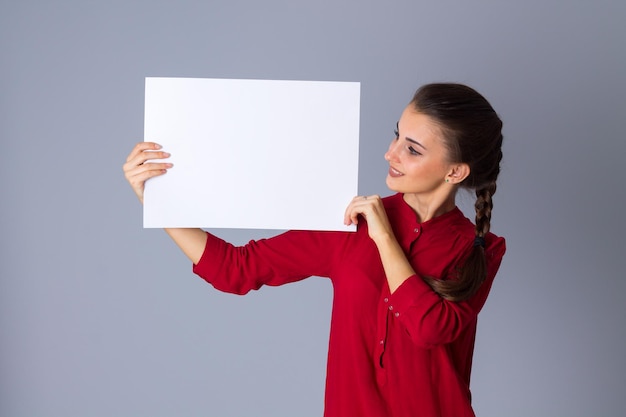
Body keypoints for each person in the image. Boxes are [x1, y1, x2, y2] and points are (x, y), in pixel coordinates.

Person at [123, 83, 506, 417]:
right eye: (396, 136)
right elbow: (234, 269)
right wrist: (159, 204)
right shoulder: (347, 224)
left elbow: (429, 329)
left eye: (412, 149)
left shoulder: (479, 249)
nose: (390, 154)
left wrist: (384, 238)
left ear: (455, 171)